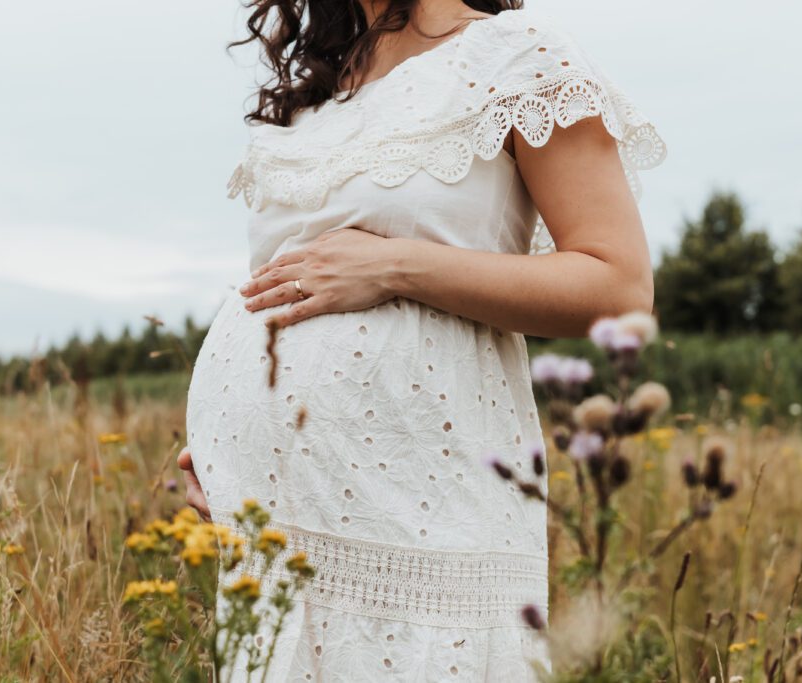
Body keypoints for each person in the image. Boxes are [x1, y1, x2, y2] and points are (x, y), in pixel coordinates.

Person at [178, 0, 665, 679]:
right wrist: (231, 451)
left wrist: (394, 265)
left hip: (421, 524)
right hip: (282, 543)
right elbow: (292, 285)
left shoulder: (517, 55)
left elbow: (617, 285)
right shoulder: (318, 92)